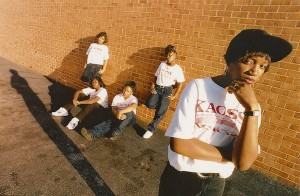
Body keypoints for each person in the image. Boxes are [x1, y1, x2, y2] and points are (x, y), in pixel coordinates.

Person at [158, 29, 292, 196]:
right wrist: (232, 155)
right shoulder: (199, 87)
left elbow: (243, 163)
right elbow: (180, 144)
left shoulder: (252, 107)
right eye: (249, 61)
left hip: (214, 185)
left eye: (263, 66)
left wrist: (252, 110)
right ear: (229, 61)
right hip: (179, 179)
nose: (255, 71)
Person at [143, 44, 185, 139]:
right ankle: (161, 105)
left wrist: (175, 96)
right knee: (149, 104)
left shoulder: (178, 69)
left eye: (170, 55)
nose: (168, 57)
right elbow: (156, 76)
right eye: (167, 55)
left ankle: (150, 130)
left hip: (167, 90)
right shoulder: (162, 64)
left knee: (160, 113)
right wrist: (152, 86)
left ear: (175, 55)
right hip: (157, 88)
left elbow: (180, 83)